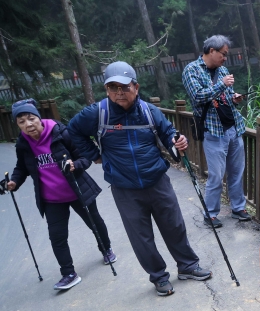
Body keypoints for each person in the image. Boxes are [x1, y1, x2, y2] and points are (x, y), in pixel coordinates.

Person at [68, 61, 212, 296]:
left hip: (157, 179)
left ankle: (187, 266)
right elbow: (73, 131)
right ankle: (159, 277)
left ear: (136, 87)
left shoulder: (149, 111)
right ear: (106, 90)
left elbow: (168, 133)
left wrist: (177, 142)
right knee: (141, 236)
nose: (119, 92)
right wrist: (95, 155)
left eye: (124, 87)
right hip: (124, 187)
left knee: (174, 226)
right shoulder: (97, 113)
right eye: (113, 87)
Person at [5, 99, 115, 291]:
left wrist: (74, 165)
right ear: (17, 125)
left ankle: (106, 249)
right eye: (21, 122)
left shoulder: (61, 132)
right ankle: (68, 273)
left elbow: (84, 157)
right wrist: (14, 182)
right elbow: (21, 168)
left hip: (77, 189)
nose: (28, 124)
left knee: (95, 223)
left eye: (31, 119)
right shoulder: (23, 143)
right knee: (57, 236)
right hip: (51, 198)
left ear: (39, 118)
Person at [181, 35, 250, 228]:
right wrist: (222, 85)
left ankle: (238, 208)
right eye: (223, 54)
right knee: (216, 176)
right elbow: (198, 97)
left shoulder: (223, 71)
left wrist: (234, 97)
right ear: (212, 50)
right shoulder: (191, 70)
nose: (225, 58)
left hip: (233, 128)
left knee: (236, 172)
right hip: (213, 131)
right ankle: (210, 213)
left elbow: (226, 96)